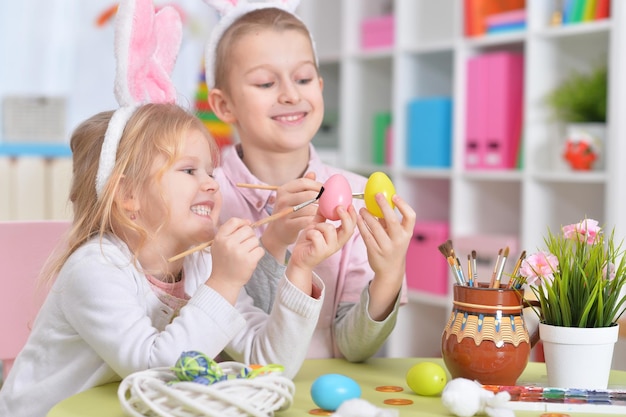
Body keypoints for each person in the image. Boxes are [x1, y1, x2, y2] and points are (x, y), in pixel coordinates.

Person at [0, 103, 356, 417]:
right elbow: (158, 369)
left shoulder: (201, 264)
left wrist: (299, 269)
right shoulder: (97, 267)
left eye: (211, 172)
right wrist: (225, 284)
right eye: (190, 171)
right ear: (128, 196)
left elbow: (268, 365)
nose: (212, 184)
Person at [204, 1, 417, 361]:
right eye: (265, 82)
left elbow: (355, 349)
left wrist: (389, 273)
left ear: (319, 86)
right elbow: (232, 337)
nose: (291, 94)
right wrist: (273, 244)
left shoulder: (358, 196)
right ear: (224, 106)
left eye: (303, 79)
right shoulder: (206, 197)